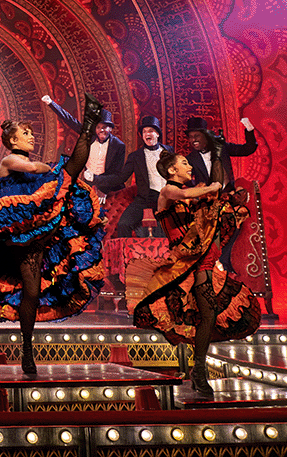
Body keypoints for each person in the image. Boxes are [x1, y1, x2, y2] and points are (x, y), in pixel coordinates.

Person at [0, 96, 106, 375]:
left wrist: (58, 172)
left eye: (30, 133)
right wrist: (53, 169)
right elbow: (31, 168)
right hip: (10, 234)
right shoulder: (10, 159)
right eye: (25, 134)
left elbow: (53, 177)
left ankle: (88, 125)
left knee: (32, 290)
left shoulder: (36, 166)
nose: (31, 137)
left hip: (38, 231)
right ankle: (27, 347)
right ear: (13, 141)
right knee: (63, 175)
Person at [130, 151, 261, 399]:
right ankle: (198, 370)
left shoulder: (193, 198)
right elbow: (187, 193)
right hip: (183, 264)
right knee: (206, 313)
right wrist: (211, 187)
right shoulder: (167, 192)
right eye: (184, 163)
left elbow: (213, 193)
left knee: (208, 315)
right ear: (171, 171)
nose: (189, 166)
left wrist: (219, 159)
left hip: (204, 260)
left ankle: (198, 368)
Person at [185, 117, 257, 272]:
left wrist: (249, 129)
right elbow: (183, 178)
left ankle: (224, 263)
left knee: (234, 224)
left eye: (197, 136)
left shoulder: (221, 147)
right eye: (191, 137)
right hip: (207, 201)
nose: (193, 140)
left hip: (229, 197)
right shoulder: (190, 159)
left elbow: (248, 149)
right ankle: (212, 263)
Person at [95, 116, 172, 238]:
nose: (147, 134)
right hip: (145, 199)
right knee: (124, 224)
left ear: (157, 134)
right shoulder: (135, 156)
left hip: (168, 198)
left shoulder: (169, 151)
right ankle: (125, 255)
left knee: (173, 226)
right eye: (144, 132)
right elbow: (121, 178)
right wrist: (96, 179)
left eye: (150, 131)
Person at [42, 94, 125, 193]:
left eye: (105, 127)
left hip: (108, 185)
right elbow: (69, 120)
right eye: (99, 127)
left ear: (110, 128)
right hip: (89, 181)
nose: (102, 130)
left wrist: (102, 188)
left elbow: (116, 175)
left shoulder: (118, 146)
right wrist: (51, 103)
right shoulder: (89, 135)